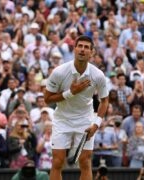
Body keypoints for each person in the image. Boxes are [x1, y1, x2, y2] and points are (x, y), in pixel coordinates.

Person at [44, 35, 109, 180]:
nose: (82, 50)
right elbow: (47, 99)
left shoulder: (98, 75)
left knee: (85, 162)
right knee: (57, 162)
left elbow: (105, 101)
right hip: (62, 120)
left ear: (91, 52)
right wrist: (70, 92)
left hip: (85, 120)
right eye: (80, 46)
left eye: (86, 47)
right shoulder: (59, 72)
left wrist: (96, 125)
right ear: (74, 49)